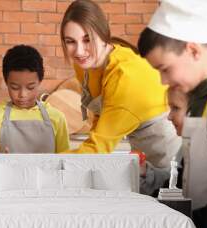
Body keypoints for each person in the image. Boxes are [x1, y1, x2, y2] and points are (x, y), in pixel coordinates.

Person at [138, 0, 207, 228]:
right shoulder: (199, 103)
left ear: (193, 50)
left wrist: (180, 226)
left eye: (165, 69)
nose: (163, 81)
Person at [59, 0, 180, 169]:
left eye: (87, 39)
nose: (79, 51)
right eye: (70, 41)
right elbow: (100, 120)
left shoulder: (125, 77)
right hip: (143, 152)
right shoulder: (86, 65)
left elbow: (97, 150)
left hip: (169, 153)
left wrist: (41, 161)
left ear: (102, 34)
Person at [0, 45, 70, 169]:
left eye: (31, 87)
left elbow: (66, 163)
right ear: (6, 82)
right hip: (8, 185)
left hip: (47, 186)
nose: (22, 95)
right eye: (15, 87)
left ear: (40, 81)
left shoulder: (57, 118)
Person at [140, 90, 188, 196]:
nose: (169, 116)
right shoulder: (188, 146)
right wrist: (145, 173)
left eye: (176, 108)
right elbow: (172, 182)